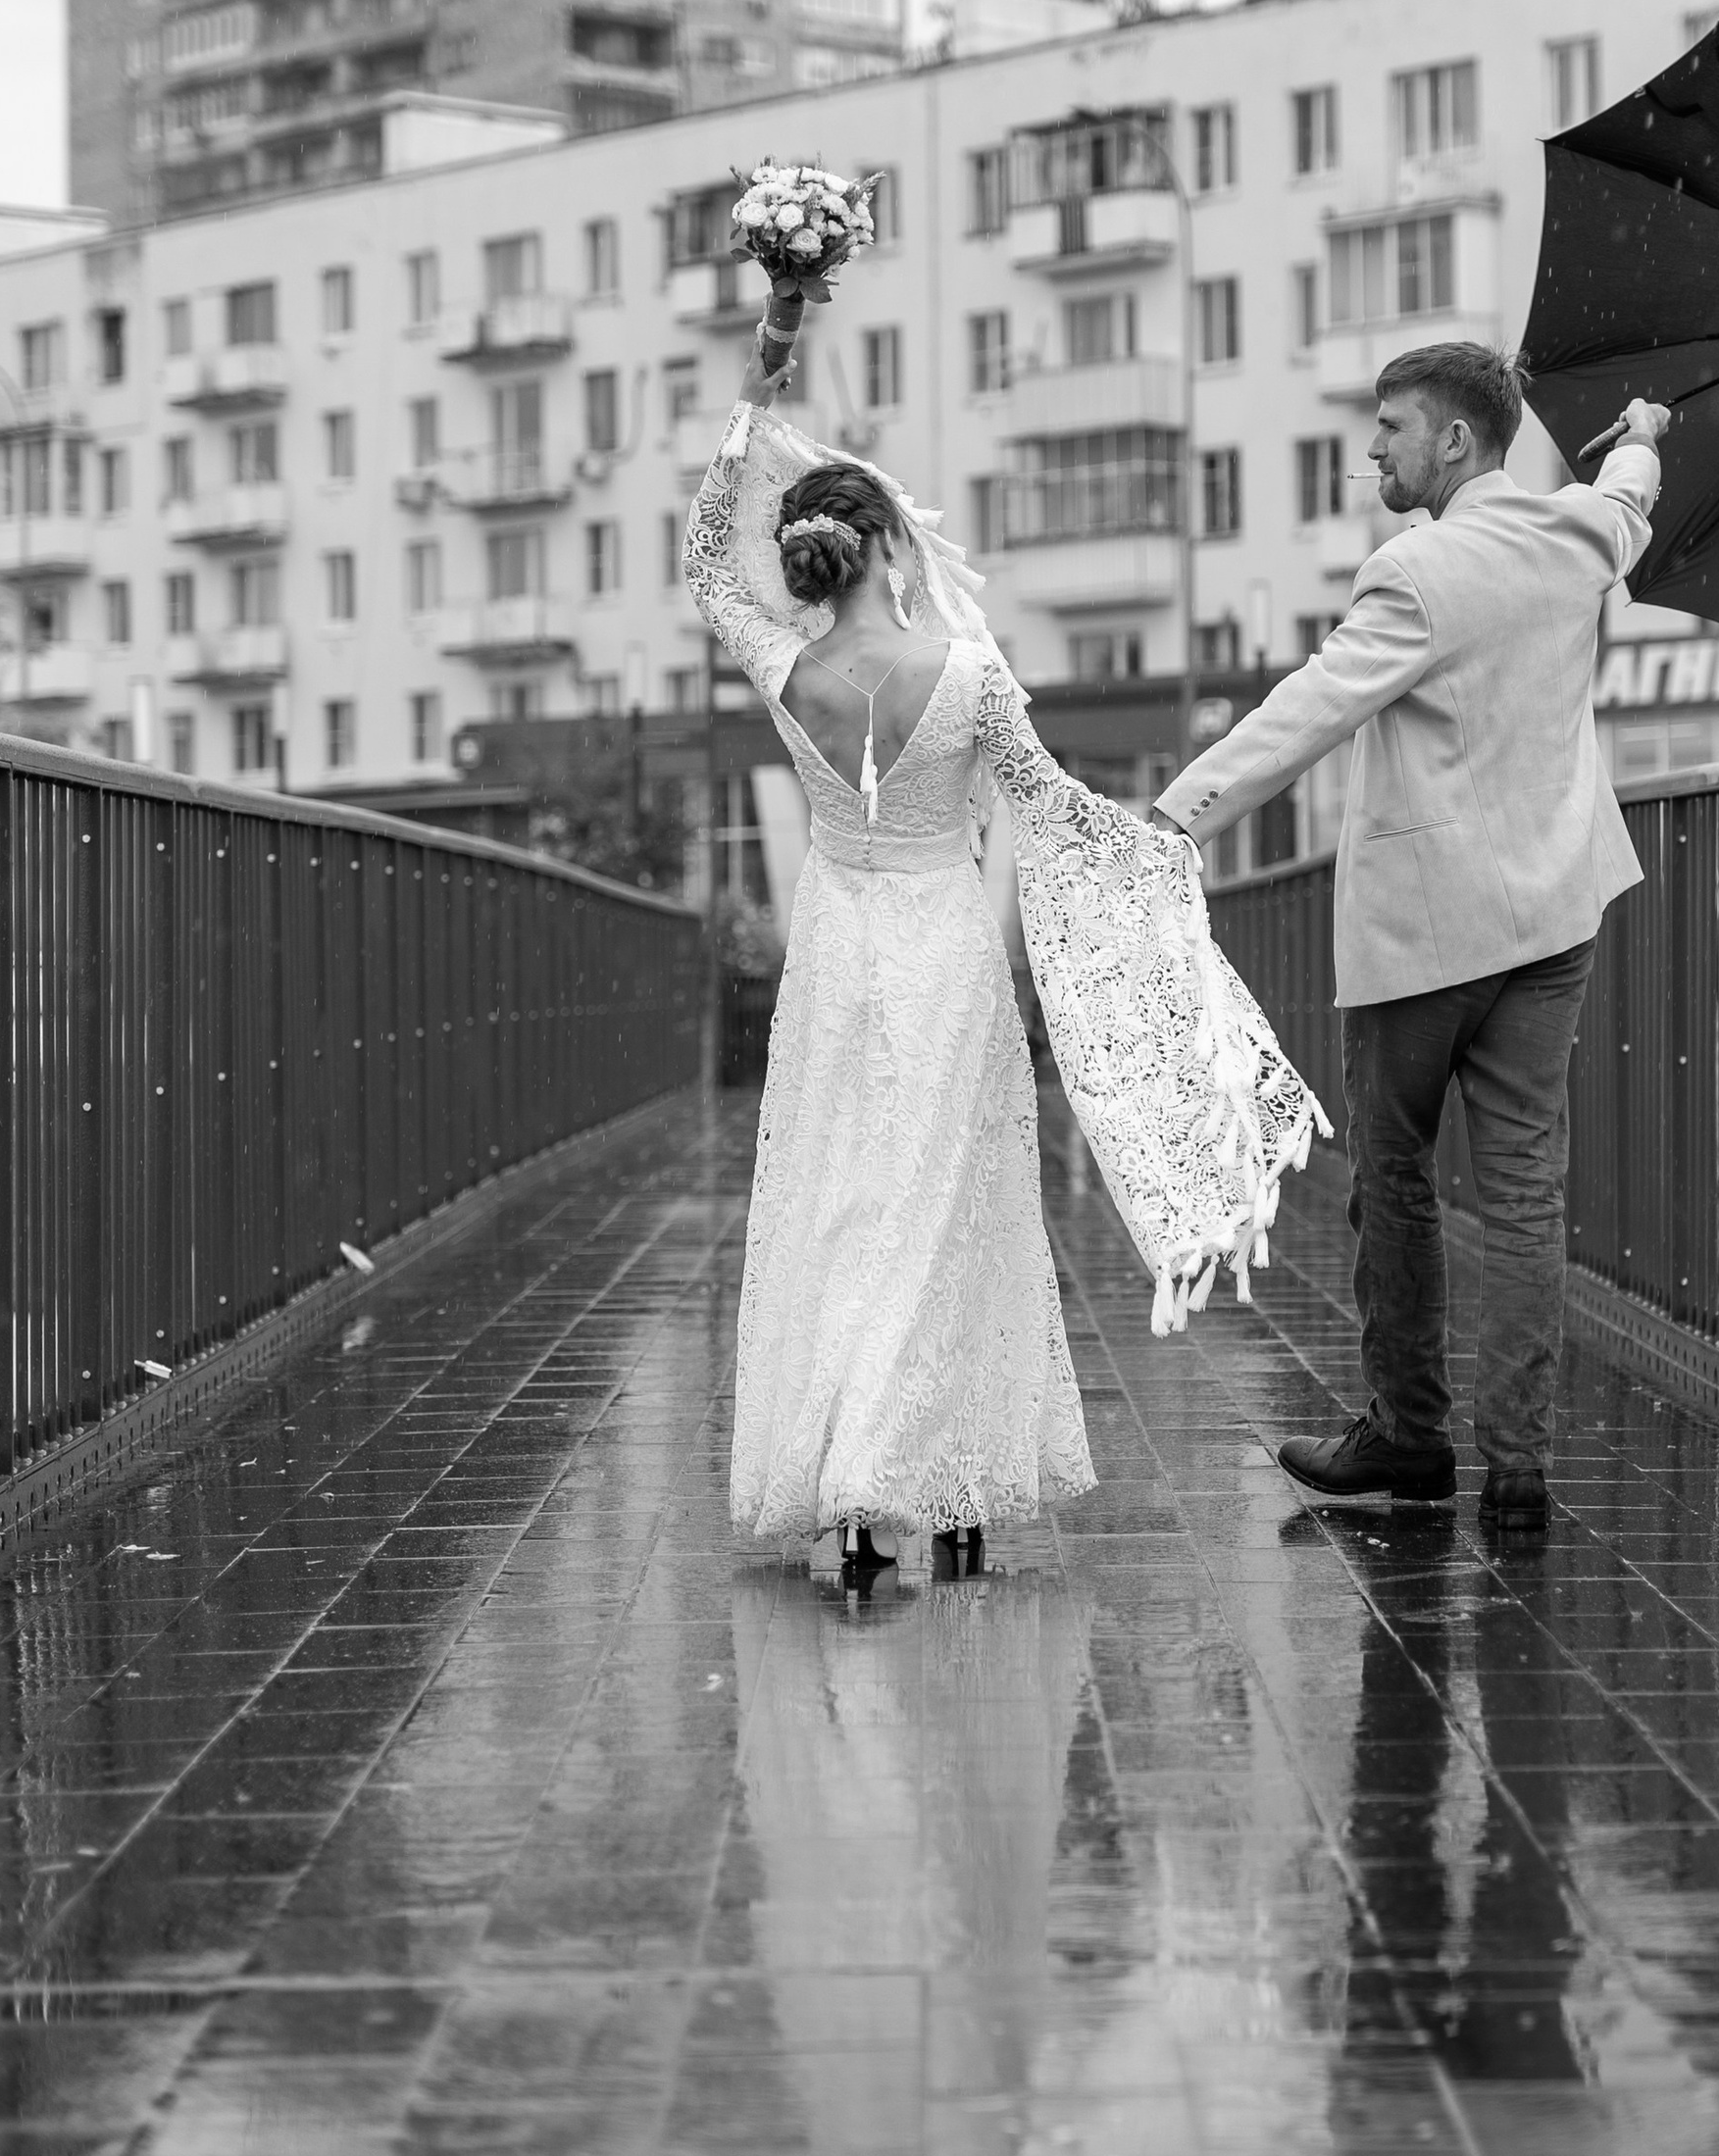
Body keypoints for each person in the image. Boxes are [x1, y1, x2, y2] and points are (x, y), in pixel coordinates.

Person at [685, 192, 1324, 1595]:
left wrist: (769, 352)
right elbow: (1053, 809)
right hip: (942, 946)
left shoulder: (782, 672)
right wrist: (1160, 837)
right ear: (894, 549)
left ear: (807, 562)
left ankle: (849, 1478)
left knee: (840, 1198)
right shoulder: (969, 679)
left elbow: (699, 551)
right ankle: (934, 1467)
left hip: (833, 947)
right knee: (949, 1201)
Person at [1155, 342, 1668, 1532]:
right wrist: (1641, 426)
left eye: (1392, 426)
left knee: (1394, 1183)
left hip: (1429, 933)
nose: (1372, 449)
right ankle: (1521, 1468)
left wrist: (1174, 819)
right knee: (1526, 1196)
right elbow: (1631, 491)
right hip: (1553, 915)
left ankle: (1407, 1437)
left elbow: (1308, 712)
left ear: (1456, 442)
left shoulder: (1417, 572)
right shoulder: (1580, 532)